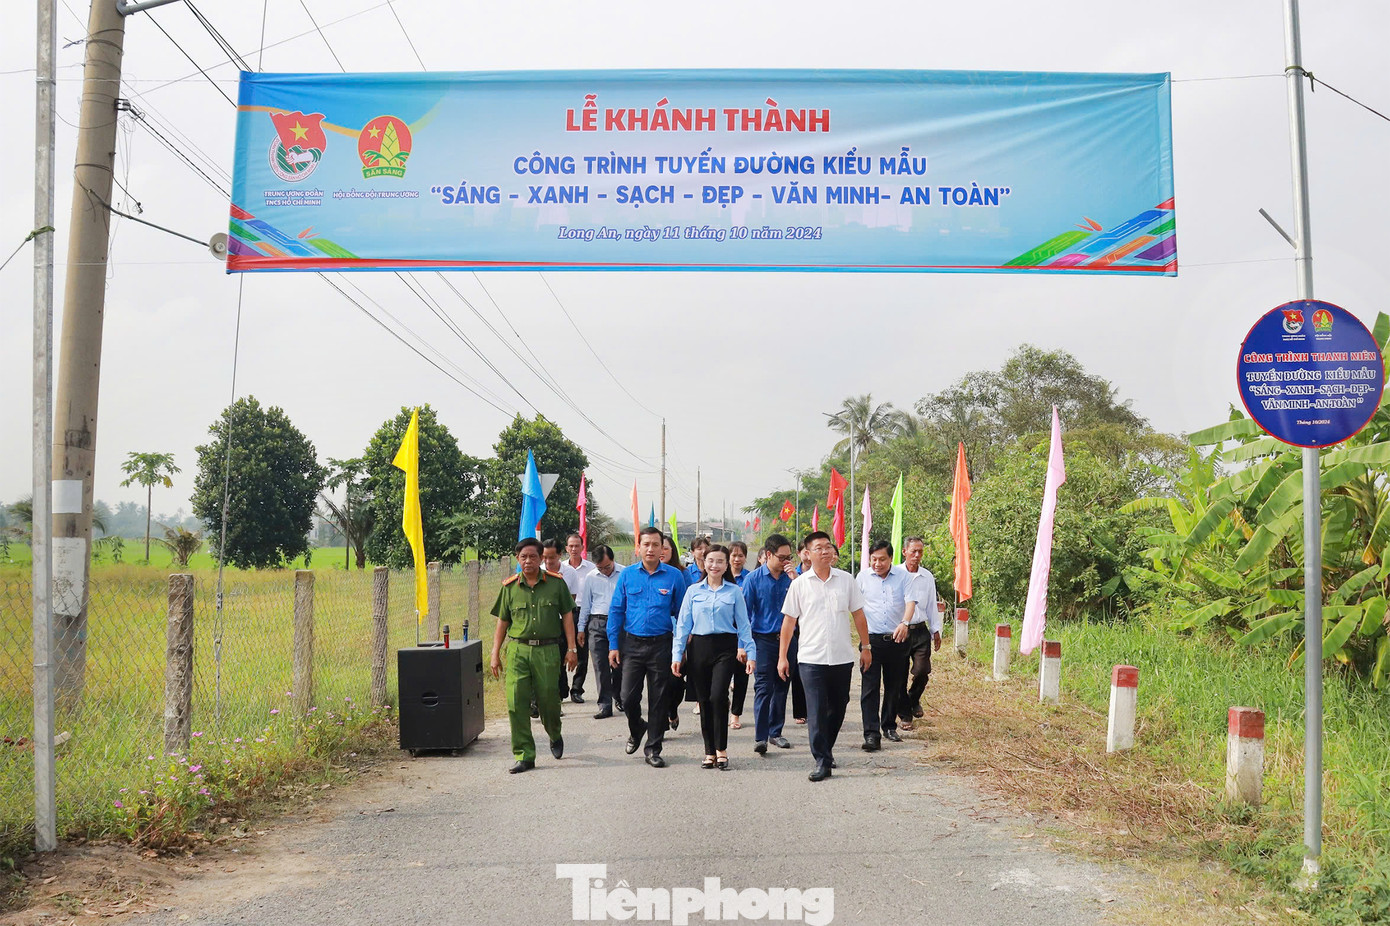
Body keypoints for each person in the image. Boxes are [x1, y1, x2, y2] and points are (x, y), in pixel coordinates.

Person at [779, 531, 871, 782]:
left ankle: (826, 750)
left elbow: (859, 615)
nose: (826, 551)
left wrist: (866, 647)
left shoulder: (846, 580)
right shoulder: (799, 584)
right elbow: (789, 622)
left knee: (839, 705)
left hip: (841, 656)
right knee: (817, 710)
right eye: (819, 548)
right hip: (810, 658)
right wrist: (783, 657)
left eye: (828, 547)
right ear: (807, 553)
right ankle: (821, 760)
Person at [489, 537, 578, 774]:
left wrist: (571, 649)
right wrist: (494, 653)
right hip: (518, 650)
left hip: (548, 650)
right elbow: (502, 622)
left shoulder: (556, 584)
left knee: (549, 700)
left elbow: (568, 616)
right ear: (518, 559)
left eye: (533, 556)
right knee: (516, 702)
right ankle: (524, 754)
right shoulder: (509, 587)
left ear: (541, 559)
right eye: (523, 557)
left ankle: (554, 732)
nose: (528, 561)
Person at [608, 527, 688, 768]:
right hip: (632, 644)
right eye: (647, 544)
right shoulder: (628, 575)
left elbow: (683, 614)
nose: (651, 549)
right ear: (638, 547)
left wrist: (681, 648)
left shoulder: (674, 576)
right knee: (627, 698)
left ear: (663, 549)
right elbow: (616, 610)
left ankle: (653, 748)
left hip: (662, 644)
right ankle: (637, 727)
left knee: (659, 700)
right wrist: (614, 644)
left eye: (656, 545)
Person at [672, 544, 755, 769]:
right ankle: (709, 751)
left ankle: (722, 749)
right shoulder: (693, 591)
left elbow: (744, 625)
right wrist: (677, 655)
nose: (714, 565)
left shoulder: (734, 591)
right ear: (703, 562)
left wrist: (751, 653)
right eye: (710, 561)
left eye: (720, 561)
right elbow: (682, 626)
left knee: (718, 696)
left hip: (725, 648)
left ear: (726, 564)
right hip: (699, 647)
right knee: (705, 700)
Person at [856, 540, 914, 750]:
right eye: (874, 559)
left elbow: (910, 602)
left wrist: (905, 623)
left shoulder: (903, 577)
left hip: (896, 640)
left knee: (895, 686)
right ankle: (871, 734)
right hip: (871, 641)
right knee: (870, 688)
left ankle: (889, 725)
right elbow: (856, 608)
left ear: (891, 559)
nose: (877, 563)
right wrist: (863, 643)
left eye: (882, 559)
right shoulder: (862, 578)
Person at [743, 533, 797, 754]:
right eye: (782, 557)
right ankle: (760, 737)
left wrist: (796, 579)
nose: (786, 562)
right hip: (763, 640)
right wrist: (744, 645)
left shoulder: (795, 579)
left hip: (789, 640)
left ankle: (776, 732)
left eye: (789, 557)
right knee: (763, 687)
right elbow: (744, 614)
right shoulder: (753, 580)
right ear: (768, 555)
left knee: (782, 686)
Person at [897, 536, 941, 728]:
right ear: (904, 552)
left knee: (922, 671)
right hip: (900, 630)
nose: (916, 555)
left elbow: (932, 604)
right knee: (899, 674)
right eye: (913, 551)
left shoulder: (927, 576)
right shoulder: (895, 574)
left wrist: (936, 630)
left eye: (920, 552)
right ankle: (905, 714)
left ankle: (912, 699)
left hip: (920, 630)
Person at [577, 544, 624, 719]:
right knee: (600, 665)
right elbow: (585, 605)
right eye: (600, 567)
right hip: (597, 623)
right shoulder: (591, 577)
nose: (604, 570)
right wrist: (581, 629)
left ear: (613, 560)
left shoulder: (625, 574)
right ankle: (604, 704)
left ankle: (619, 697)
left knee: (619, 664)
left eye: (607, 566)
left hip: (620, 623)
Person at [562, 533, 597, 704]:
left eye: (577, 546)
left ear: (583, 548)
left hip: (584, 613)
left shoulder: (591, 569)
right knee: (562, 650)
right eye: (571, 546)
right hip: (564, 614)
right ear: (566, 548)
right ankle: (561, 688)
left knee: (582, 653)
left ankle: (577, 689)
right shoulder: (560, 568)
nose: (574, 549)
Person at [662, 535, 693, 728]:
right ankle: (661, 723)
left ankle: (672, 710)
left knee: (676, 680)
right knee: (660, 682)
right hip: (660, 637)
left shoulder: (682, 574)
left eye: (665, 548)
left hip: (681, 637)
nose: (662, 551)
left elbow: (689, 606)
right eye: (659, 547)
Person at [542, 540, 574, 704]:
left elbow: (570, 606)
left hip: (561, 624)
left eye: (552, 558)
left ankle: (560, 692)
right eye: (544, 558)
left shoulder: (569, 573)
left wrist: (572, 646)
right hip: (543, 624)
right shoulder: (537, 571)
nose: (548, 562)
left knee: (558, 662)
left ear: (560, 555)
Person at [727, 541, 752, 729]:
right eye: (733, 555)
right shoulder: (720, 577)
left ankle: (735, 714)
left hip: (742, 635)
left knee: (741, 678)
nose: (737, 559)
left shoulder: (749, 579)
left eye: (740, 555)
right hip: (723, 635)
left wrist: (744, 643)